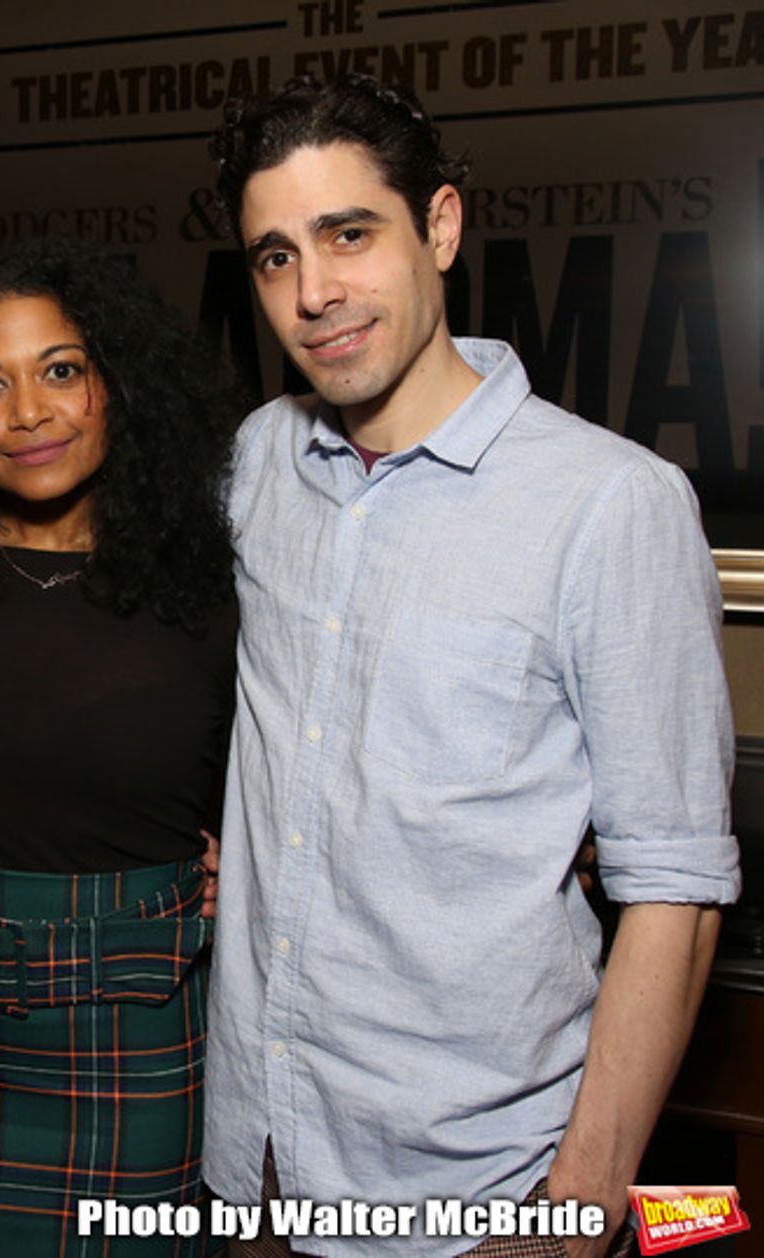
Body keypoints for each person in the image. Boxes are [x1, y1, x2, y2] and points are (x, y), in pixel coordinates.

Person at [202, 75, 739, 1257]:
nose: (314, 293)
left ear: (438, 226)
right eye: (273, 256)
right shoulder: (259, 461)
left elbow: (674, 884)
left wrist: (576, 1212)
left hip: (470, 1194)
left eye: (350, 235)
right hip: (258, 1163)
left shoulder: (610, 505)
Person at [0, 239, 237, 1257]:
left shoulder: (218, 587)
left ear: (117, 383)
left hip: (135, 1020)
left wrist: (245, 860)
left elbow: (299, 774)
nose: (27, 412)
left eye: (60, 369)